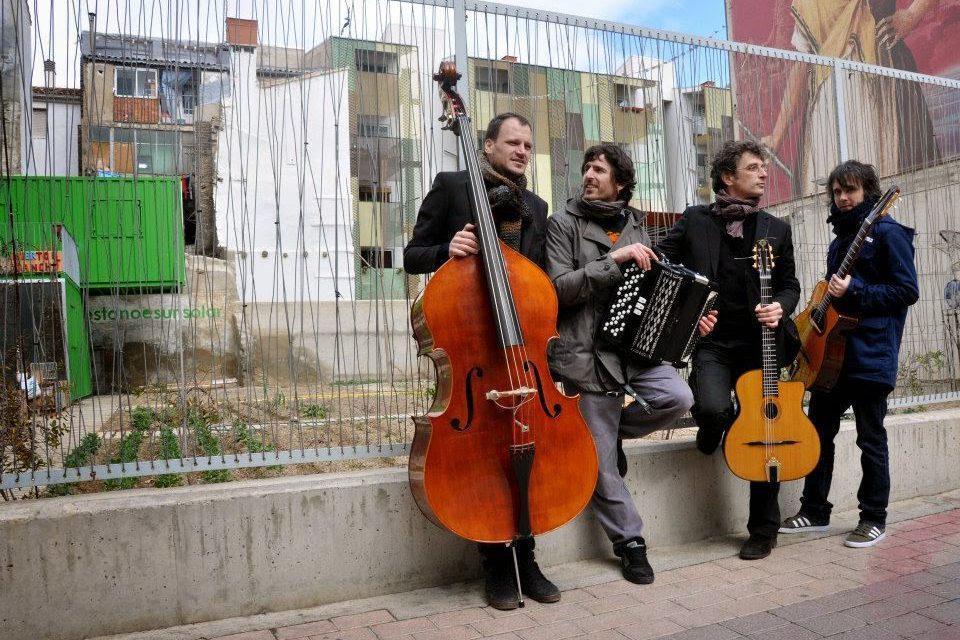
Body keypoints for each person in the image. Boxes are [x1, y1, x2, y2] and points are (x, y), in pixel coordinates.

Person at [403, 112, 556, 610]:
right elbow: (411, 254)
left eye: (528, 145)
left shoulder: (535, 205)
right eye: (513, 142)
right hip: (471, 347)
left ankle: (528, 558)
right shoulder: (452, 187)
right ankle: (495, 564)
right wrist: (448, 248)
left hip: (521, 356)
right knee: (484, 456)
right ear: (486, 145)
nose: (522, 151)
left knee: (527, 448)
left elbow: (537, 280)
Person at [544, 144, 705, 584]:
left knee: (677, 397)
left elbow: (653, 292)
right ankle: (631, 543)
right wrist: (610, 261)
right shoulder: (562, 224)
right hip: (585, 352)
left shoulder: (636, 224)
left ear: (621, 182)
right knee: (602, 464)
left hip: (631, 349)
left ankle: (604, 435)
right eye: (586, 168)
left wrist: (692, 325)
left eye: (599, 169)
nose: (589, 175)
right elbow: (558, 290)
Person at [657, 140, 801, 561]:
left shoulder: (777, 229)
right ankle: (713, 425)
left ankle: (763, 530)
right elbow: (665, 267)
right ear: (728, 178)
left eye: (764, 168)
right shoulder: (694, 220)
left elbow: (790, 284)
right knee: (713, 408)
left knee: (764, 430)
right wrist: (689, 315)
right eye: (753, 168)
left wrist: (782, 306)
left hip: (762, 346)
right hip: (713, 343)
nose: (763, 174)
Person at [780, 160, 918, 547]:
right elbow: (831, 297)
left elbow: (907, 291)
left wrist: (855, 290)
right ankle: (814, 510)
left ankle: (874, 518)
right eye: (837, 192)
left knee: (870, 439)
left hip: (871, 355)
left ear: (869, 193)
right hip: (831, 357)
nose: (842, 198)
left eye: (850, 191)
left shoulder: (889, 233)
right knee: (818, 432)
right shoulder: (840, 240)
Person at [762, 0, 938, 195]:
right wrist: (777, 135)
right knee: (829, 187)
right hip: (827, 102)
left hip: (880, 87)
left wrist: (913, 15)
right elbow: (803, 63)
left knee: (883, 187)